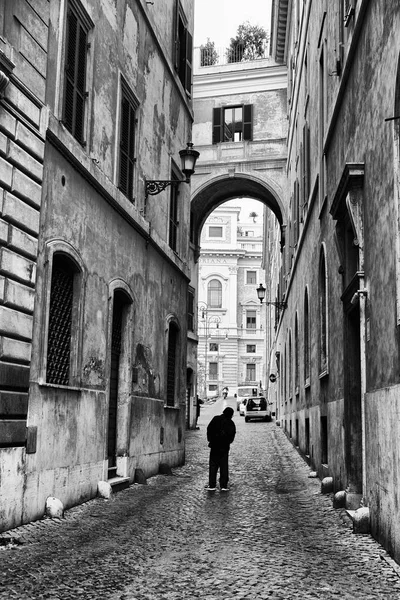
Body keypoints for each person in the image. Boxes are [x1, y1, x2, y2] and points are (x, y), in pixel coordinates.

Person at [206, 406, 236, 492]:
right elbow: (232, 435)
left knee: (213, 466)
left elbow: (209, 429)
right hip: (224, 448)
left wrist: (210, 439)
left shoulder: (216, 419)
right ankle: (223, 485)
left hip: (214, 446)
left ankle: (212, 485)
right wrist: (227, 442)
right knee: (224, 466)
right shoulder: (230, 423)